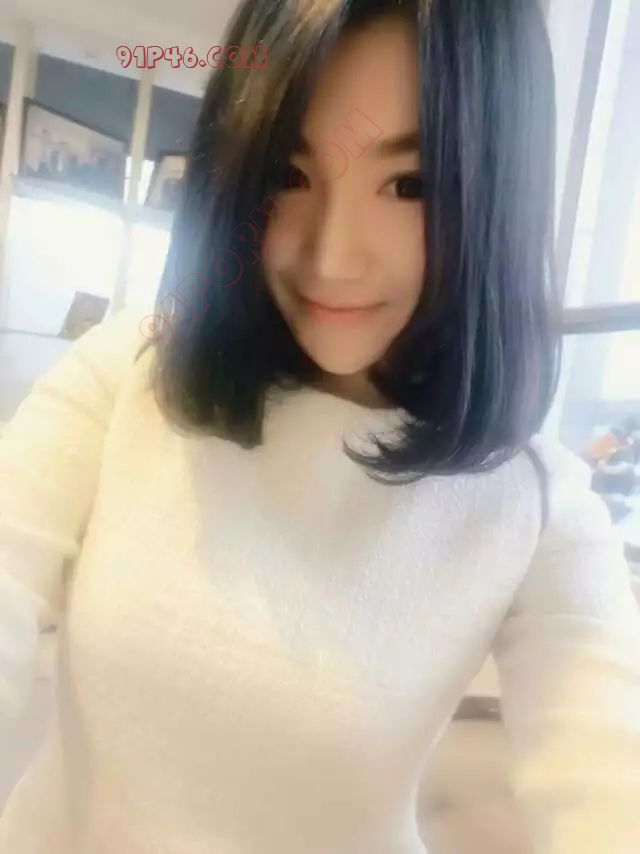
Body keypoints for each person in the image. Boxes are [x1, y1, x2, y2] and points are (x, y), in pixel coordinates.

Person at [0, 1, 638, 852]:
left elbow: (609, 769)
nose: (332, 257)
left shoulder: (538, 507)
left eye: (409, 186)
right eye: (288, 176)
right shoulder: (132, 370)